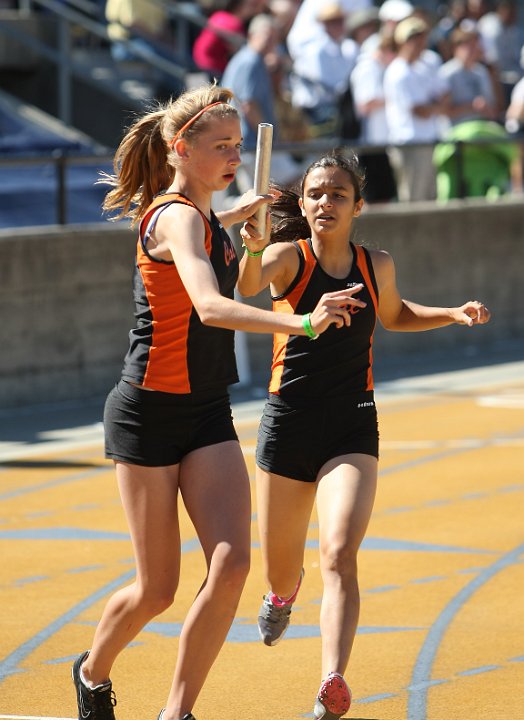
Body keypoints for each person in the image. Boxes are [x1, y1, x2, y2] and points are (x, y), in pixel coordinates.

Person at [71, 84, 358, 720]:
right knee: (157, 588)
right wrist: (302, 323)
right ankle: (92, 672)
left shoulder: (203, 219)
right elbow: (209, 304)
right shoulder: (175, 217)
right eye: (220, 147)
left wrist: (241, 222)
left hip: (204, 411)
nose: (233, 156)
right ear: (182, 149)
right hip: (147, 410)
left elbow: (211, 236)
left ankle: (177, 713)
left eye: (237, 145)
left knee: (230, 567)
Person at [237, 152, 491, 720]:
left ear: (359, 206)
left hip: (352, 421)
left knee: (339, 551)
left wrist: (450, 313)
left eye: (338, 195)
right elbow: (249, 284)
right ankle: (281, 595)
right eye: (316, 194)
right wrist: (252, 243)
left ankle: (332, 681)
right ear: (301, 203)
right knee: (282, 566)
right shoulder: (286, 257)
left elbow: (395, 314)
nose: (326, 203)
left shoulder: (375, 264)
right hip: (288, 422)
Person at [383, 16, 450, 201]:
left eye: (422, 37)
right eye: (414, 38)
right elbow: (421, 111)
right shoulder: (399, 72)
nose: (420, 42)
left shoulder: (424, 66)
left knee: (430, 197)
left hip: (427, 141)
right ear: (403, 41)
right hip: (409, 144)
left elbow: (444, 96)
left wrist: (434, 106)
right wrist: (437, 106)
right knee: (413, 200)